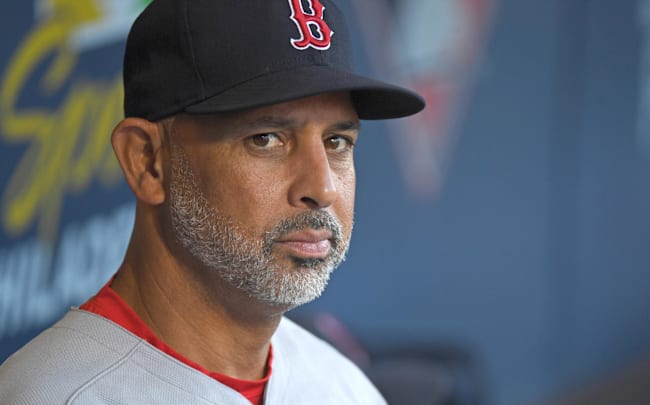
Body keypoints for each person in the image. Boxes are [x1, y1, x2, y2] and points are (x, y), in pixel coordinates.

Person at [0, 0, 424, 404]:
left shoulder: (343, 387)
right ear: (146, 161)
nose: (323, 187)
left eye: (337, 141)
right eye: (266, 139)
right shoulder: (51, 396)